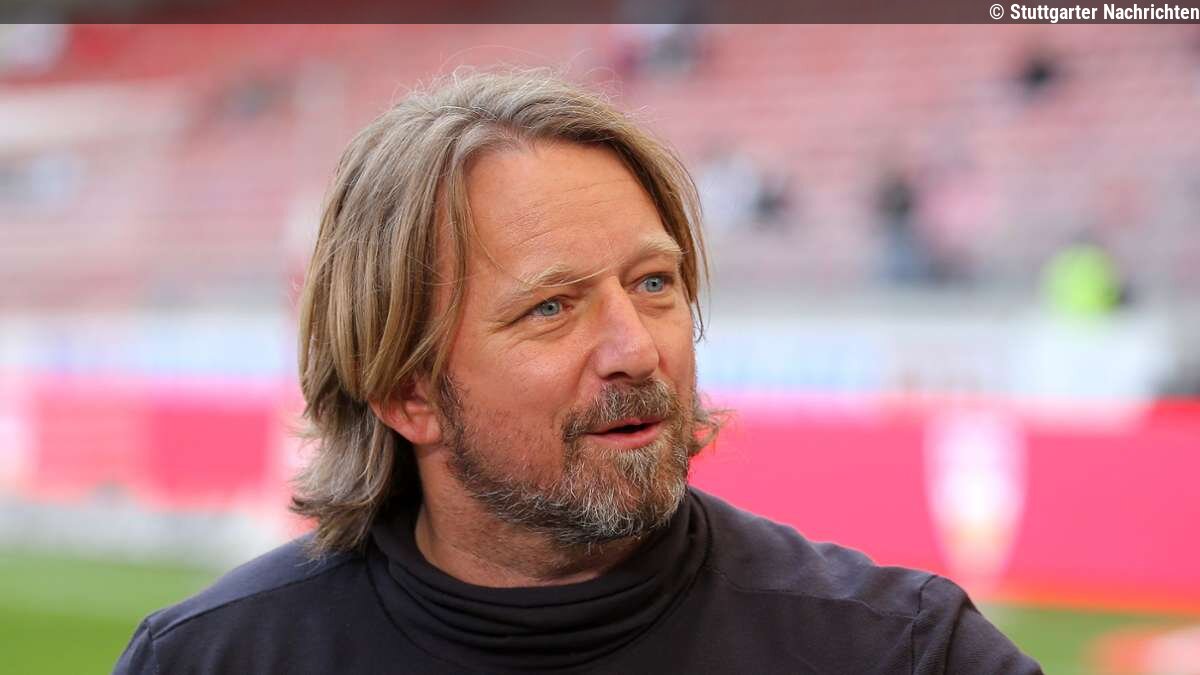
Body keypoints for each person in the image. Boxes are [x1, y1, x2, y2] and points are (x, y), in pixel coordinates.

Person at [114, 68, 1042, 674]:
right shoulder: (211, 658)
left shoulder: (902, 652)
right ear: (407, 391)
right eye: (551, 307)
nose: (636, 348)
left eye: (653, 283)